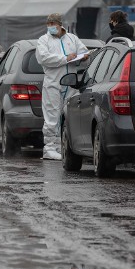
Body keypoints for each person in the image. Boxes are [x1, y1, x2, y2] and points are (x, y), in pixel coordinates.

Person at [36, 13, 89, 160]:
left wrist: (83, 56)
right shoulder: (44, 40)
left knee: (67, 116)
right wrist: (65, 58)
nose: (51, 26)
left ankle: (63, 146)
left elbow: (83, 50)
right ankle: (49, 148)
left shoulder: (72, 38)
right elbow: (44, 58)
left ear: (60, 25)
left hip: (70, 83)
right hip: (53, 83)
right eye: (49, 24)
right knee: (52, 115)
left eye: (53, 23)